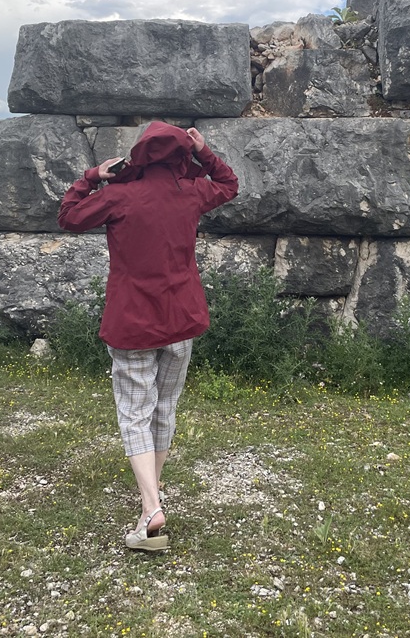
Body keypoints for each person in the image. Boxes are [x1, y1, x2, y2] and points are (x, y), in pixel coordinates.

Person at [57, 122, 238, 553]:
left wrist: (92, 177)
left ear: (137, 156)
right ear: (180, 154)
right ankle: (148, 507)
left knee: (135, 413)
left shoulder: (118, 196)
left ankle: (152, 506)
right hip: (182, 318)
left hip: (133, 321)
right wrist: (204, 152)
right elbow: (229, 185)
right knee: (165, 407)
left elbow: (68, 217)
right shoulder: (192, 190)